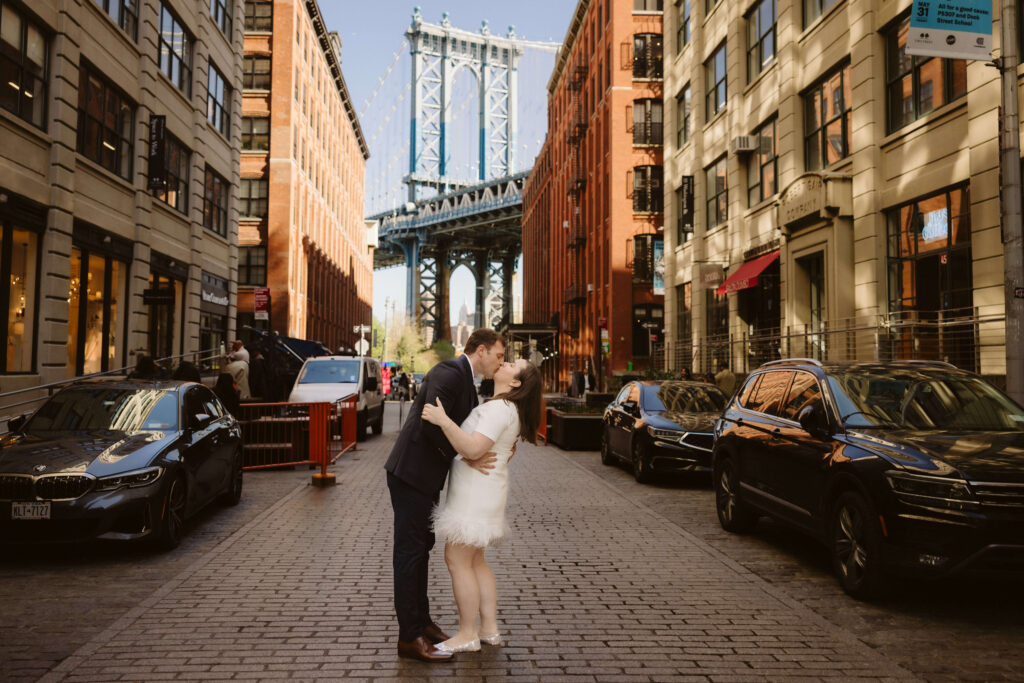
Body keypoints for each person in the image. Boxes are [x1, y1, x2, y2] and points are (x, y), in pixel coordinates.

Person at [383, 329, 506, 662]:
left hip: (425, 479)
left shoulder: (466, 379)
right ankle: (409, 637)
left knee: (422, 550)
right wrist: (465, 455)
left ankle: (422, 624)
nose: (500, 362)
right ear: (481, 350)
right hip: (410, 475)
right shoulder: (449, 372)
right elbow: (429, 422)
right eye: (498, 355)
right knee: (409, 554)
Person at [421, 358, 542, 654]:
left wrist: (442, 420)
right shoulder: (506, 409)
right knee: (475, 562)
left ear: (516, 383)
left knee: (457, 560)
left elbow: (474, 448)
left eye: (513, 364)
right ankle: (488, 629)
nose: (505, 363)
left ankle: (467, 634)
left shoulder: (498, 409)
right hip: (484, 492)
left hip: (475, 494)